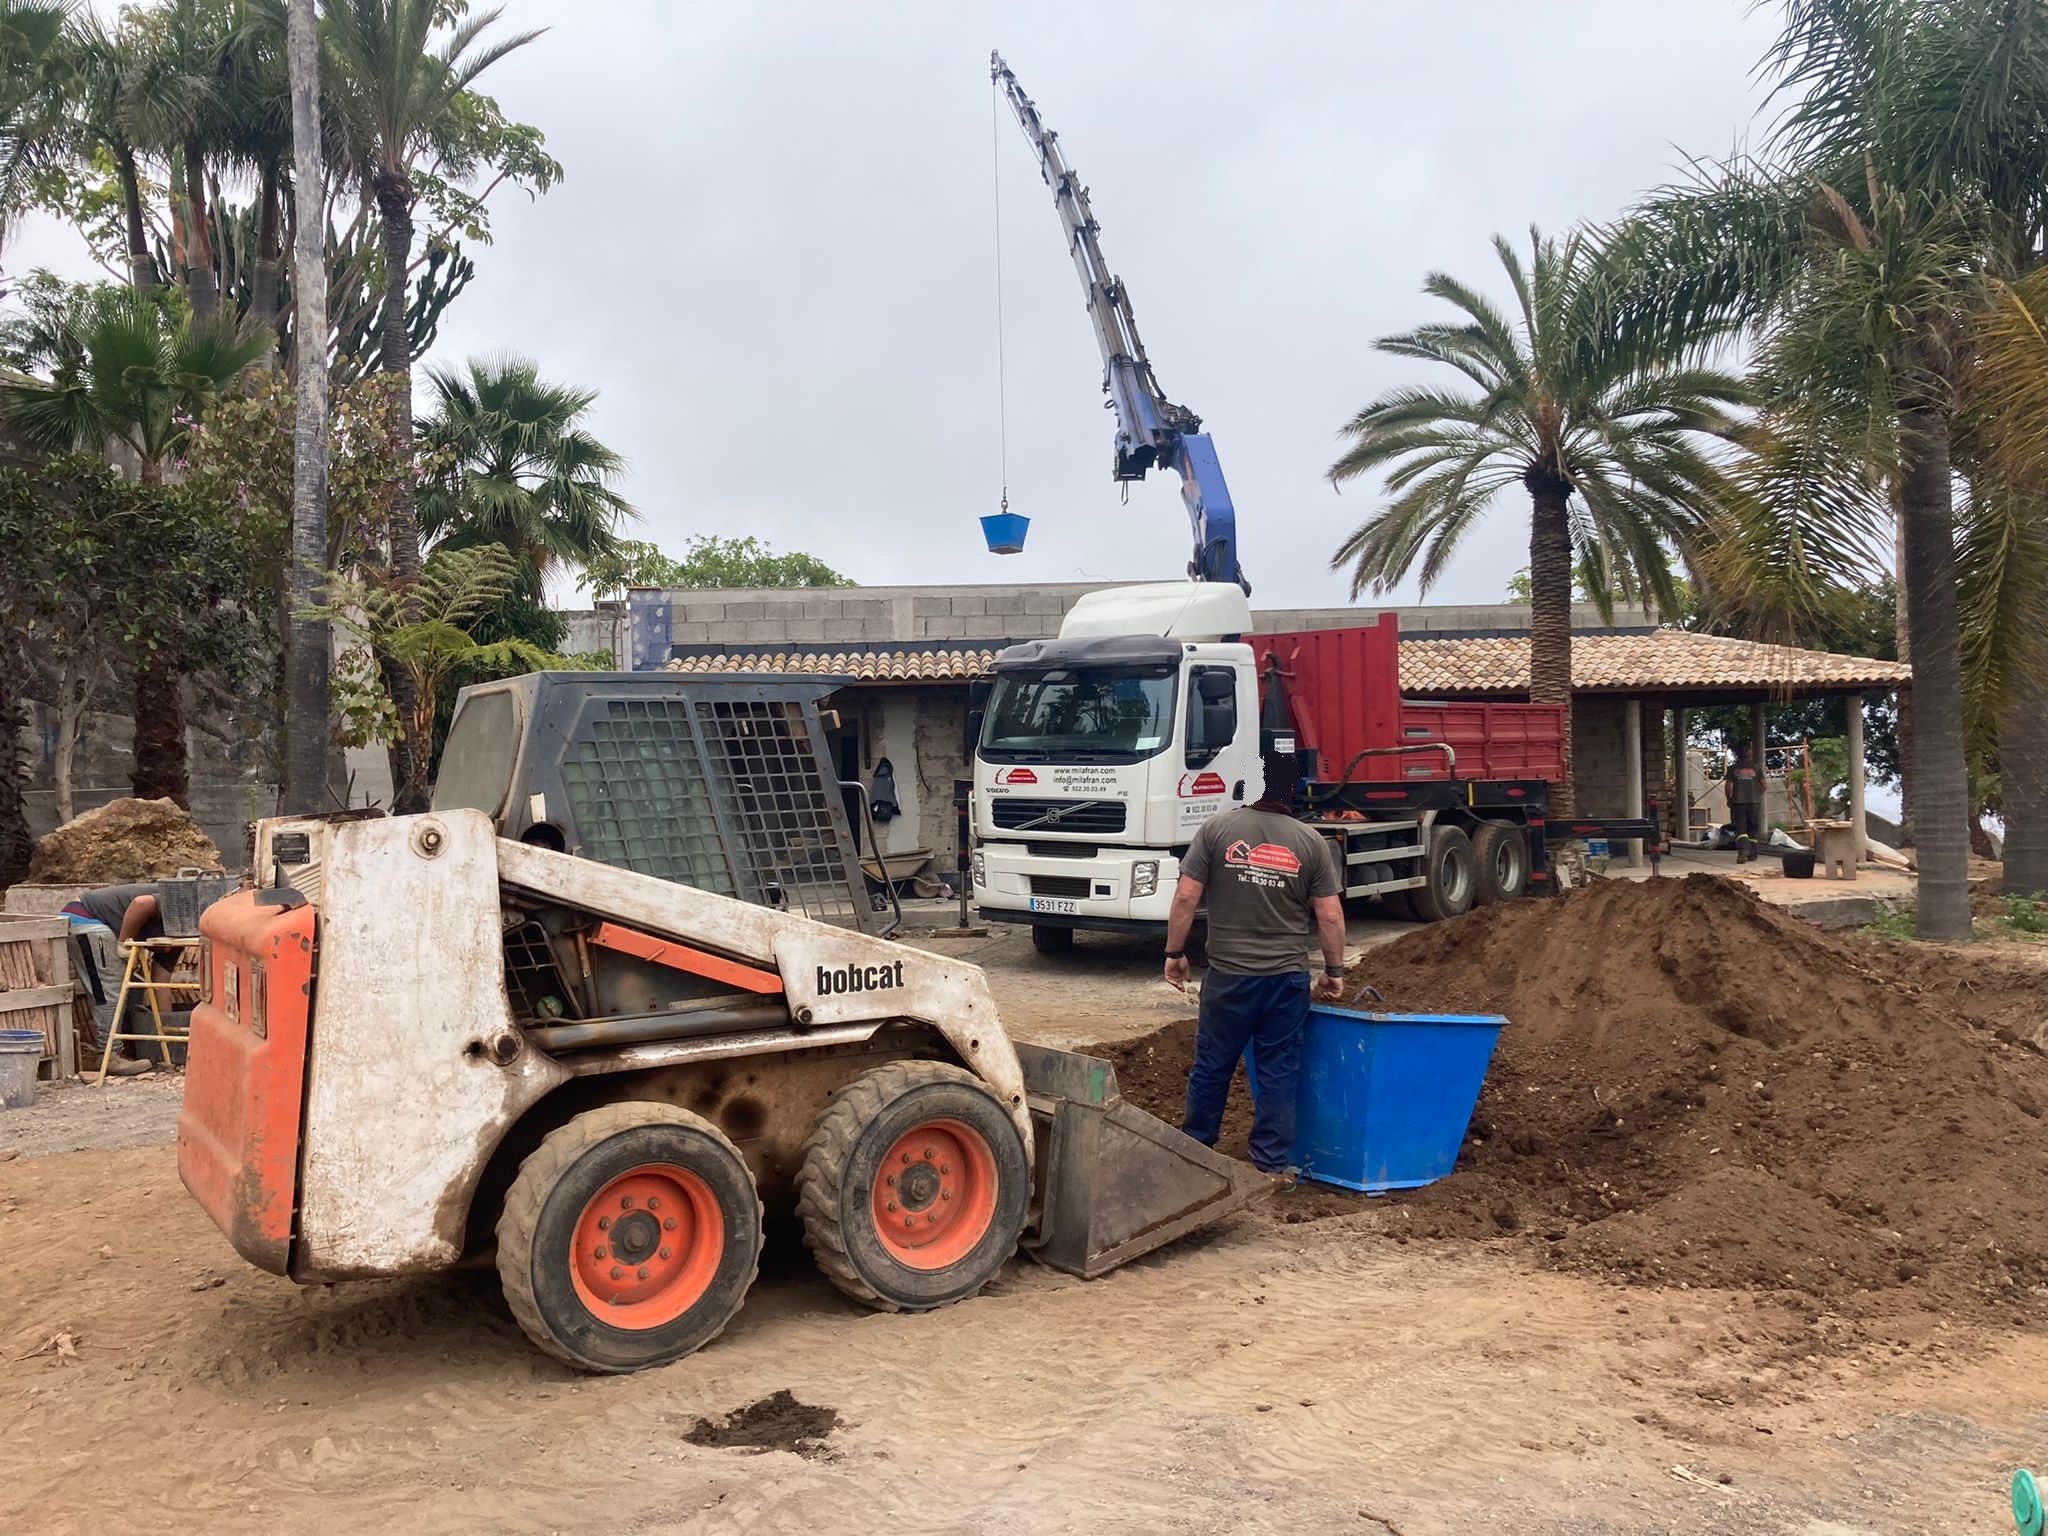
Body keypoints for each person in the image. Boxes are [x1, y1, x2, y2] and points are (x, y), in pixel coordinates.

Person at [1164, 751, 1347, 1174]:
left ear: (1248, 787)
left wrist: (1175, 953)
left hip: (1229, 977)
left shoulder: (1216, 830)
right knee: (1278, 1070)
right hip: (1286, 980)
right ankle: (1268, 1164)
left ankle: (1196, 1156)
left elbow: (1187, 896)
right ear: (1292, 791)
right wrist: (1334, 971)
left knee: (1212, 1066)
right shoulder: (1311, 842)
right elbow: (1330, 916)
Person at [61, 882, 172, 1076]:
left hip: (98, 922)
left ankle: (122, 1049)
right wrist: (123, 942)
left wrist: (167, 1036)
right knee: (110, 988)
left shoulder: (185, 937)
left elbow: (160, 982)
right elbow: (141, 903)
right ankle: (109, 1055)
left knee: (133, 986)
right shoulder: (182, 902)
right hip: (87, 917)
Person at [1727, 745, 1765, 864]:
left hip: (1738, 803)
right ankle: (1753, 854)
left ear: (1737, 755)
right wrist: (1756, 795)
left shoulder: (1733, 769)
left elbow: (1728, 786)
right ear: (1750, 755)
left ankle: (1742, 853)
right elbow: (1764, 785)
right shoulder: (1757, 768)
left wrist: (1729, 799)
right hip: (1754, 803)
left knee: (1741, 829)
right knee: (1753, 828)